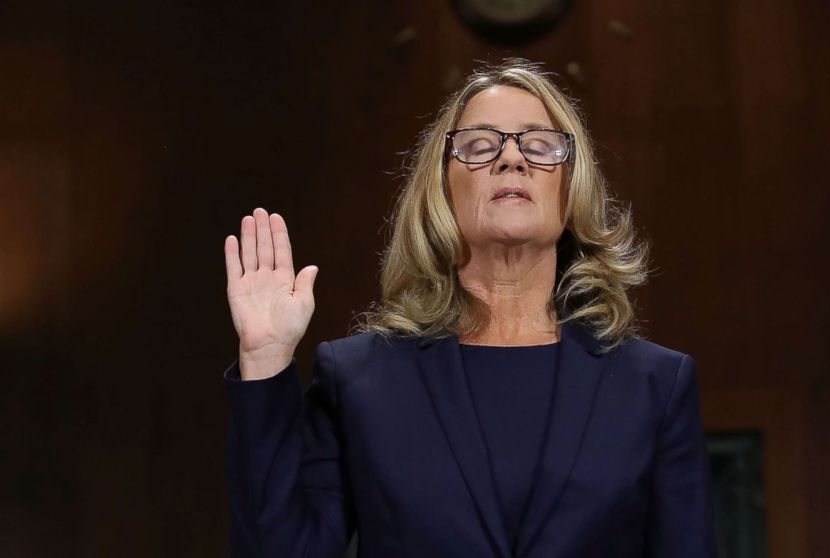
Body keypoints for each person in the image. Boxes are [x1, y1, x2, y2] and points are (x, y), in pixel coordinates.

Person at [222, 59, 716, 558]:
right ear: (442, 189)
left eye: (540, 146)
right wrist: (264, 361)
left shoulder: (655, 386)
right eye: (480, 146)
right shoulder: (357, 379)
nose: (512, 160)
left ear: (571, 189)